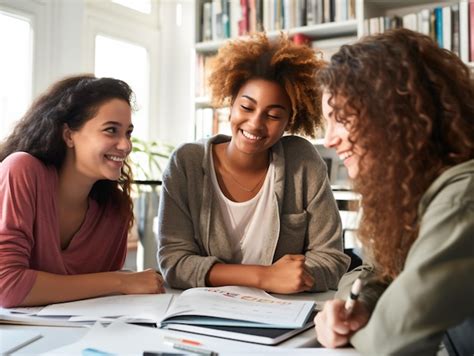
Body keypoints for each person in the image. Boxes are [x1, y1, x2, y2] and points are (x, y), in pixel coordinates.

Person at [315, 28, 474, 354]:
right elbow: (371, 271)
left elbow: (393, 339)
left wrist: (353, 328)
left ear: (392, 113)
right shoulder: (409, 188)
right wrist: (356, 306)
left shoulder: (463, 197)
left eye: (340, 118)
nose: (329, 139)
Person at [157, 33, 349, 294]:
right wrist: (264, 277)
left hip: (283, 313)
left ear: (289, 121)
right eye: (247, 108)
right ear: (231, 103)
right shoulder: (186, 163)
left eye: (273, 115)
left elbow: (331, 259)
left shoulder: (302, 162)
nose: (256, 124)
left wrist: (301, 276)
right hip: (204, 313)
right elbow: (174, 263)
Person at [0, 74, 165, 308]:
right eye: (111, 130)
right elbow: (7, 286)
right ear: (69, 135)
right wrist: (120, 281)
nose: (126, 145)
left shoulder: (115, 210)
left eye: (128, 132)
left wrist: (121, 283)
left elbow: (100, 299)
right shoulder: (22, 170)